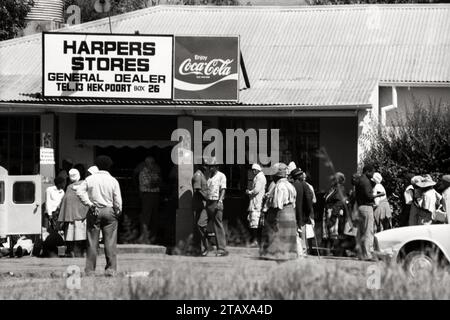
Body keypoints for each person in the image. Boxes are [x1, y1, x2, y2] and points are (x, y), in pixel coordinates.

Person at [76, 155, 122, 277]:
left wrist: (89, 204)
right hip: (109, 211)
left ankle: (90, 270)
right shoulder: (113, 180)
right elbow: (117, 200)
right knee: (110, 242)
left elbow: (79, 191)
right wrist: (117, 211)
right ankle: (111, 270)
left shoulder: (90, 179)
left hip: (94, 210)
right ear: (109, 167)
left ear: (97, 166)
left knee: (92, 242)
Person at [260, 163, 298, 261]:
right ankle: (289, 254)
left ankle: (278, 254)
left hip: (282, 212)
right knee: (289, 234)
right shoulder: (290, 185)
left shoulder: (279, 186)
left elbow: (277, 203)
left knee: (279, 233)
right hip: (290, 212)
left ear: (276, 176)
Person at [198, 157, 228, 257]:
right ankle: (206, 247)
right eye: (208, 166)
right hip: (207, 202)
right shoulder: (207, 176)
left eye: (212, 166)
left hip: (216, 201)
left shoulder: (221, 176)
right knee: (201, 224)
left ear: (216, 167)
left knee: (217, 224)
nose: (209, 168)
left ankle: (221, 249)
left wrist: (220, 201)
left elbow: (223, 189)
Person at [354, 165, 385, 261]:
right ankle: (367, 255)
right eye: (372, 172)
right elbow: (369, 196)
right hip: (367, 207)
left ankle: (360, 254)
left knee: (361, 231)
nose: (373, 174)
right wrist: (380, 194)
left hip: (360, 207)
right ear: (367, 171)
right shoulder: (366, 181)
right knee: (368, 231)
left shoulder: (359, 180)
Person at [58, 169, 89, 257]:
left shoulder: (69, 188)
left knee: (71, 238)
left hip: (71, 217)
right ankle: (83, 254)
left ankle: (72, 254)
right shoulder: (85, 185)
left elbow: (64, 203)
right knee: (84, 237)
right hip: (83, 217)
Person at [322, 172, 347, 256]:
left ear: (339, 180)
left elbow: (339, 203)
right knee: (329, 233)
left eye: (335, 178)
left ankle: (334, 251)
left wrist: (333, 216)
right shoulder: (333, 189)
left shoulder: (340, 189)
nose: (333, 179)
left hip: (333, 213)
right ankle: (329, 250)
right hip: (328, 212)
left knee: (334, 233)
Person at [290, 168, 314, 256]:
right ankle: (302, 252)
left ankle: (300, 252)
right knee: (301, 235)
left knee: (299, 234)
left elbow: (308, 199)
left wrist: (307, 212)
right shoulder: (303, 185)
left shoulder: (295, 185)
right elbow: (309, 199)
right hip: (302, 214)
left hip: (297, 213)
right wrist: (308, 212)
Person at [138, 156, 162, 244]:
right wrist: (155, 182)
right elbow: (150, 185)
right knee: (146, 217)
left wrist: (156, 182)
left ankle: (153, 237)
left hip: (155, 195)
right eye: (151, 163)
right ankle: (144, 237)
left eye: (153, 163)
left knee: (154, 217)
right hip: (147, 196)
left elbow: (159, 182)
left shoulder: (154, 172)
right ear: (147, 164)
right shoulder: (143, 173)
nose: (153, 165)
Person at [245, 163, 267, 247]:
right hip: (255, 202)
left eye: (254, 170)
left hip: (256, 203)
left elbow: (256, 189)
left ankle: (256, 241)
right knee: (254, 221)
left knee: (255, 222)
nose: (253, 171)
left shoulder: (260, 177)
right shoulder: (259, 177)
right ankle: (256, 240)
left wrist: (249, 192)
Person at [192, 162, 208, 255]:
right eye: (205, 165)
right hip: (200, 205)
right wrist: (207, 198)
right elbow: (197, 190)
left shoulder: (202, 174)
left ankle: (201, 248)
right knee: (200, 225)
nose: (207, 167)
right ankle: (203, 247)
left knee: (201, 225)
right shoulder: (198, 175)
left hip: (202, 205)